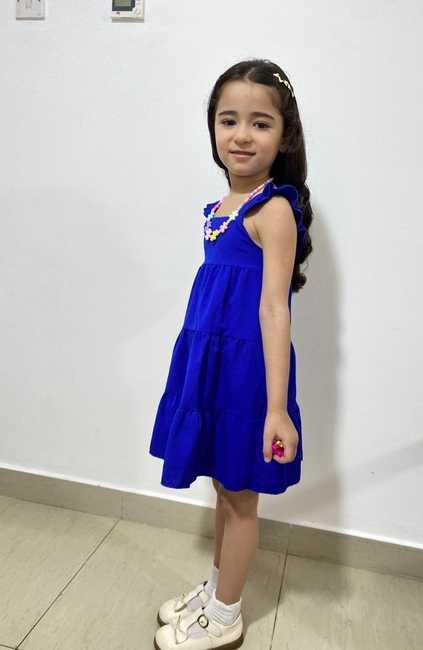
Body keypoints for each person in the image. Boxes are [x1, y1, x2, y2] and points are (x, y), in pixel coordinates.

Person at [149, 58, 313, 650]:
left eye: (260, 123)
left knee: (241, 497)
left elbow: (274, 311)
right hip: (213, 366)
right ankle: (217, 589)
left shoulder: (274, 209)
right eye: (228, 120)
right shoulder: (221, 209)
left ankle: (225, 617)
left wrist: (277, 409)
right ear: (213, 128)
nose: (242, 135)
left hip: (247, 378)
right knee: (224, 487)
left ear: (285, 137)